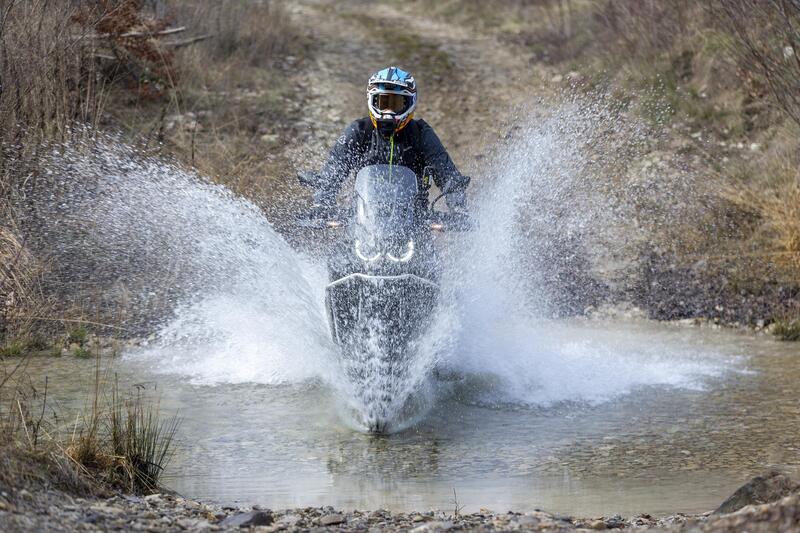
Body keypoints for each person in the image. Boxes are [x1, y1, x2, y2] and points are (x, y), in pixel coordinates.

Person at [308, 66, 469, 213]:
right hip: (362, 222)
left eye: (396, 103)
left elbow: (447, 173)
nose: (388, 110)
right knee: (340, 245)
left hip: (416, 224)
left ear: (410, 103)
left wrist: (458, 206)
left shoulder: (421, 133)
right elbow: (335, 167)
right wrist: (322, 202)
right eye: (383, 102)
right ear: (372, 100)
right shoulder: (359, 131)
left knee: (433, 244)